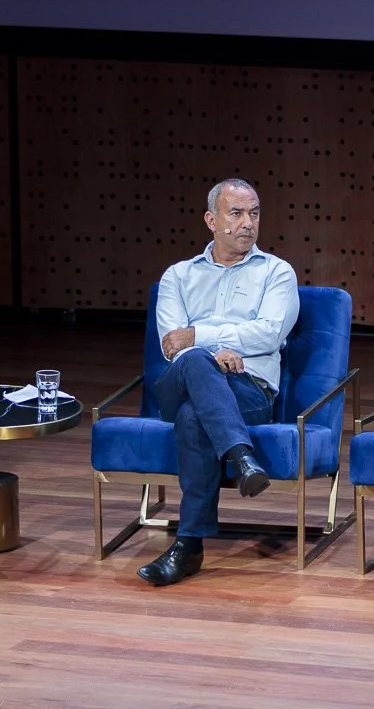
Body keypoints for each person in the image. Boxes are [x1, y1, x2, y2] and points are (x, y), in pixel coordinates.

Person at [137, 178, 301, 586]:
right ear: (211, 220)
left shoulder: (277, 273)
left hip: (248, 389)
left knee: (195, 417)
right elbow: (173, 345)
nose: (248, 223)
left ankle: (188, 546)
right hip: (180, 384)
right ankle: (242, 456)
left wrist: (202, 335)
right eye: (237, 213)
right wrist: (212, 351)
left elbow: (270, 334)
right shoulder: (178, 276)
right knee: (194, 363)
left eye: (255, 213)